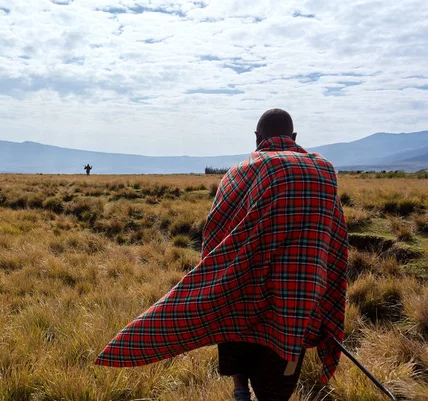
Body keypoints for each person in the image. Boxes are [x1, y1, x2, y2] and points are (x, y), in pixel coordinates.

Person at [95, 109, 348, 401]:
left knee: (229, 316)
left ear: (257, 138)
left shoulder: (239, 173)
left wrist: (218, 274)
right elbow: (337, 242)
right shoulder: (324, 172)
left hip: (240, 297)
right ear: (293, 137)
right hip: (295, 303)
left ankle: (240, 390)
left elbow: (214, 237)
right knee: (277, 385)